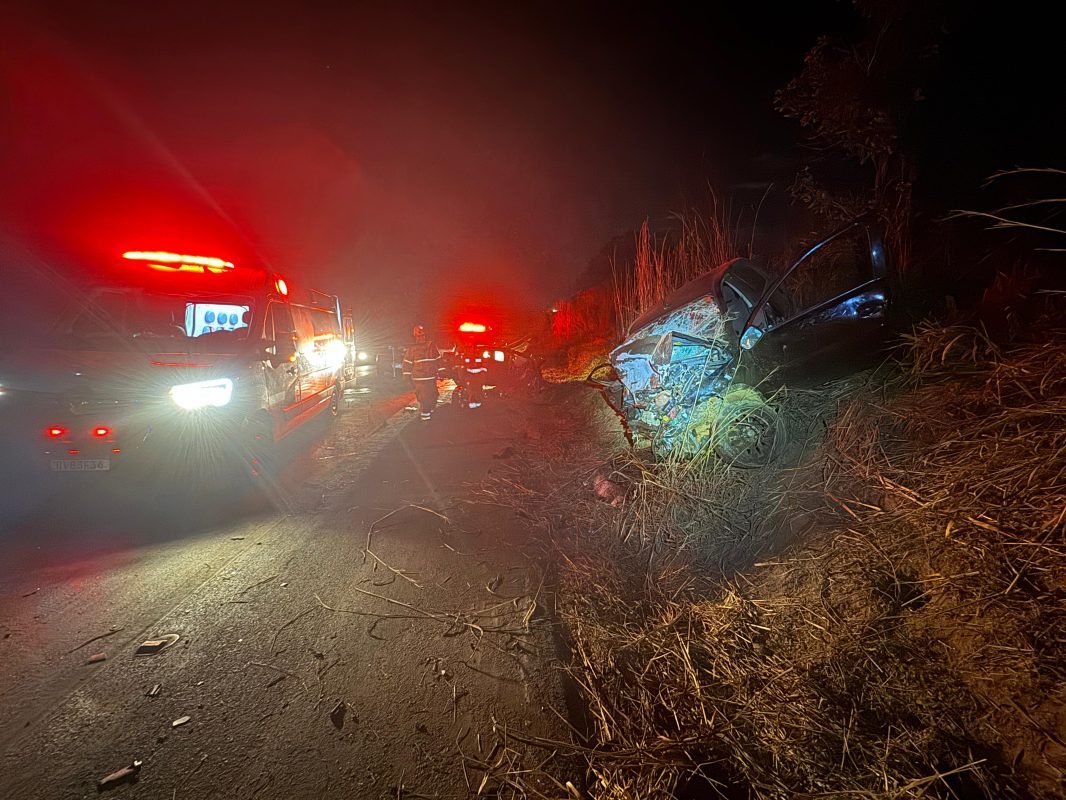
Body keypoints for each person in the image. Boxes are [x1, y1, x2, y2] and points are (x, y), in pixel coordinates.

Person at [402, 324, 443, 420]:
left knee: (433, 396)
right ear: (416, 337)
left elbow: (438, 360)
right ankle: (425, 420)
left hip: (431, 378)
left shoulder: (431, 346)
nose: (422, 338)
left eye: (423, 335)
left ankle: (430, 415)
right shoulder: (412, 349)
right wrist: (406, 377)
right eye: (420, 336)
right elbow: (407, 364)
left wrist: (442, 371)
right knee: (424, 399)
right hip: (419, 380)